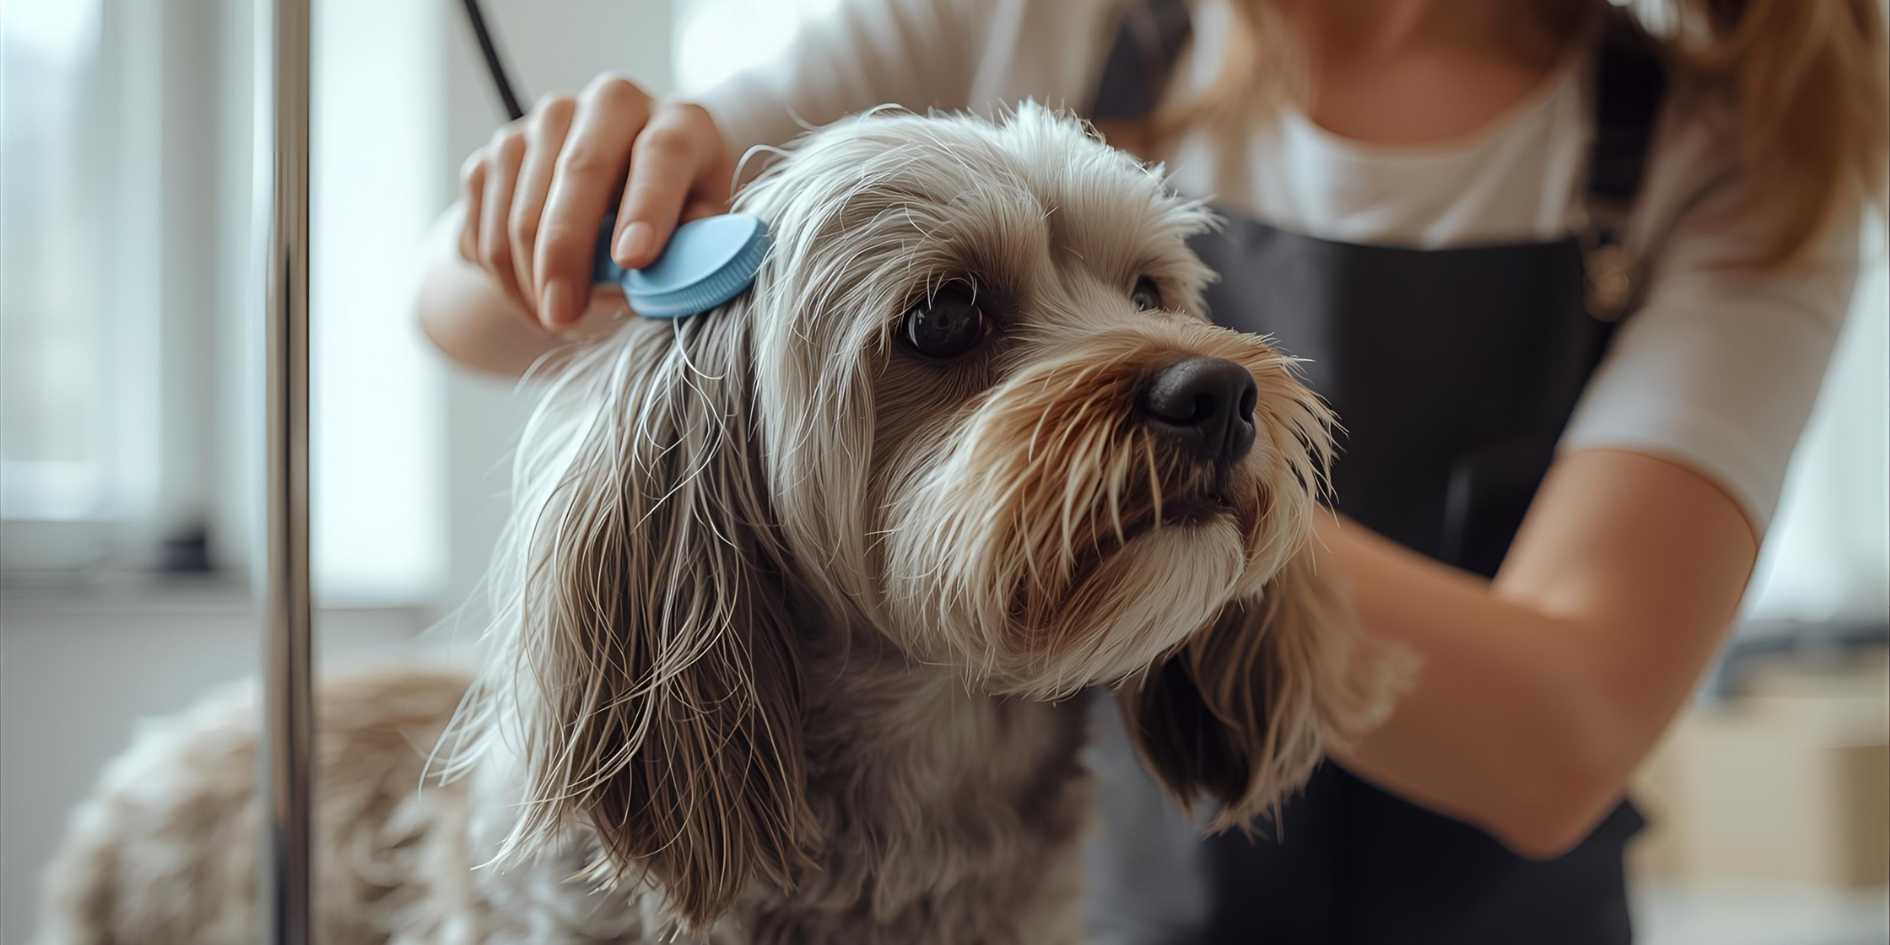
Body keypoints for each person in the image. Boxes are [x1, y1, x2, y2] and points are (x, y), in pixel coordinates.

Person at [415, 0, 1888, 941]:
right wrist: (561, 197)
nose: (1179, 363)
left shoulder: (1746, 158)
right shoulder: (1023, 18)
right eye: (949, 319)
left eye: (1149, 291)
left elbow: (1563, 734)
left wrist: (1137, 471)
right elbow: (476, 314)